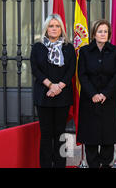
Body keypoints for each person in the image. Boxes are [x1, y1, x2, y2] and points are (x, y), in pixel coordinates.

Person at [30, 14, 76, 168]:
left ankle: (60, 165)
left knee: (61, 134)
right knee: (46, 134)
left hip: (62, 96)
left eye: (57, 26)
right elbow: (35, 69)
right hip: (43, 96)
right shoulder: (38, 47)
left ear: (61, 28)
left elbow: (71, 70)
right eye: (51, 26)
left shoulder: (68, 47)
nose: (54, 29)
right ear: (46, 29)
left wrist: (59, 87)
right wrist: (51, 86)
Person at [76, 19, 116, 168]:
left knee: (108, 136)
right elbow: (81, 75)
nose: (103, 34)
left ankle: (105, 163)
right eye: (99, 31)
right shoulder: (84, 51)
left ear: (109, 34)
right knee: (91, 136)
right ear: (94, 34)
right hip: (89, 100)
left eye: (105, 31)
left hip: (109, 100)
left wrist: (104, 94)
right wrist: (93, 94)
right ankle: (93, 164)